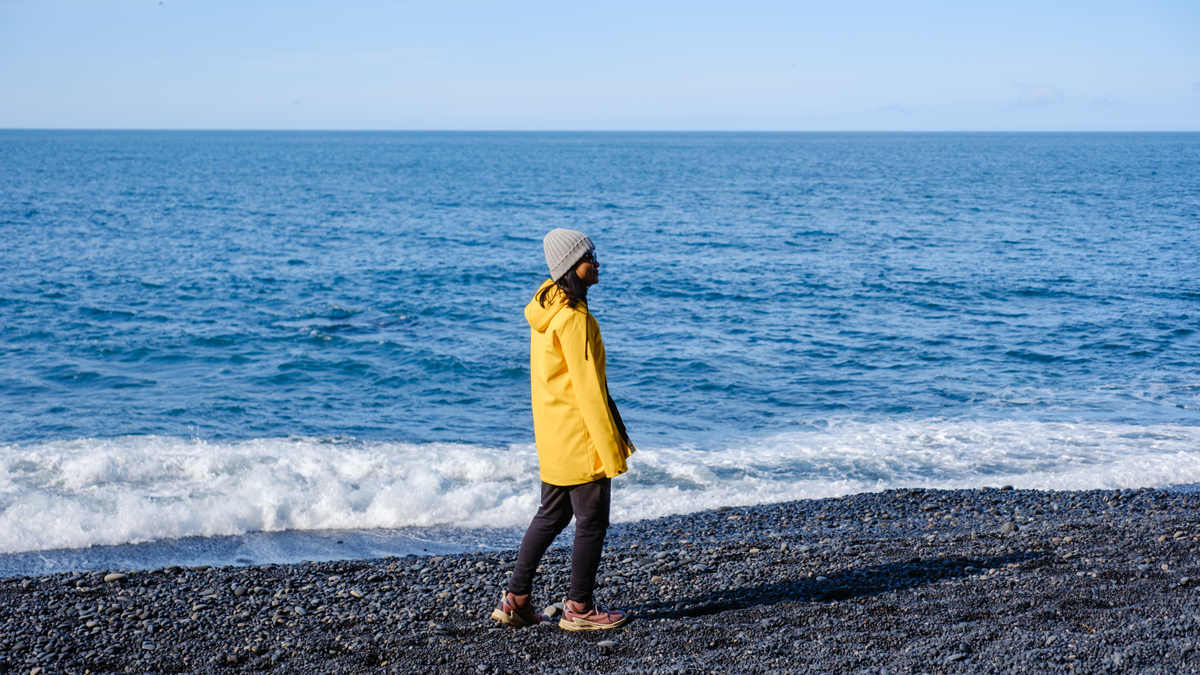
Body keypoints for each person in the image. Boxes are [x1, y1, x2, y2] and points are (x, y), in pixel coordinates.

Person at [491, 228, 635, 631]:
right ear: (573, 267)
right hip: (580, 436)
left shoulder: (547, 305)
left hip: (554, 434)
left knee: (551, 515)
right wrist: (610, 449)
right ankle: (580, 609)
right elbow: (588, 390)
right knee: (591, 521)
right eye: (590, 256)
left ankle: (515, 600)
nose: (598, 261)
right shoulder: (572, 319)